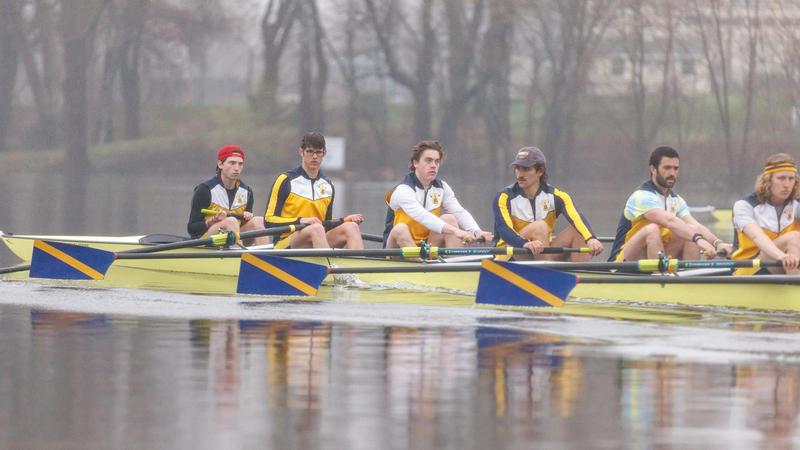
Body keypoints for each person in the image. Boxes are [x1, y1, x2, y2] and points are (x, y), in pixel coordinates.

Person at [608, 146, 732, 262]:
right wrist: (699, 239)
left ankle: (690, 279)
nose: (672, 173)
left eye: (675, 168)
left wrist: (717, 243)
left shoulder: (676, 200)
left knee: (691, 229)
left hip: (653, 257)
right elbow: (669, 220)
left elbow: (695, 225)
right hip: (622, 262)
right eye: (667, 168)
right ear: (653, 169)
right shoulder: (641, 196)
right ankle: (659, 280)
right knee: (652, 230)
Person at [492, 146, 604, 261]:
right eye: (517, 168)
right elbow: (503, 229)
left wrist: (591, 238)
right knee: (539, 227)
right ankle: (549, 273)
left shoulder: (557, 196)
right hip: (511, 254)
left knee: (579, 231)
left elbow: (577, 217)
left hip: (541, 252)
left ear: (540, 171)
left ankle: (575, 275)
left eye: (526, 169)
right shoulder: (503, 197)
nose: (520, 174)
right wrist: (524, 243)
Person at [383, 140, 493, 248]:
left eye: (437, 161)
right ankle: (423, 263)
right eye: (428, 160)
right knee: (400, 229)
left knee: (449, 218)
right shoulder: (403, 190)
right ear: (415, 163)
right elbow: (422, 216)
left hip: (426, 247)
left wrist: (476, 231)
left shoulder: (442, 187)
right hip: (396, 248)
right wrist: (456, 231)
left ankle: (457, 263)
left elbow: (459, 211)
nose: (433, 165)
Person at [264, 132, 364, 249]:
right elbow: (268, 220)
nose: (314, 156)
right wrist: (300, 221)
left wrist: (345, 220)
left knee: (352, 227)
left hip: (317, 238)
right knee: (316, 228)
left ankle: (356, 266)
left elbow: (326, 225)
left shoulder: (328, 186)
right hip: (287, 242)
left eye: (318, 152)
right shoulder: (285, 180)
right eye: (310, 151)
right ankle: (329, 265)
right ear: (301, 152)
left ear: (324, 153)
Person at [731, 153, 800, 275]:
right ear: (768, 180)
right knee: (794, 237)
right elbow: (757, 237)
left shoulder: (797, 204)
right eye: (781, 178)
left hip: (782, 266)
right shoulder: (745, 205)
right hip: (749, 268)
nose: (787, 185)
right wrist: (782, 256)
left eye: (791, 178)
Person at [187, 145, 269, 245]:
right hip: (206, 239)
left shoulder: (247, 192)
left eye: (240, 164)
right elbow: (192, 228)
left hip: (235, 237)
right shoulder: (205, 189)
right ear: (220, 164)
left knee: (259, 221)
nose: (237, 168)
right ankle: (238, 257)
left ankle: (266, 257)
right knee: (231, 221)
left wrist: (247, 218)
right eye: (232, 163)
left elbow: (244, 224)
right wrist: (212, 221)